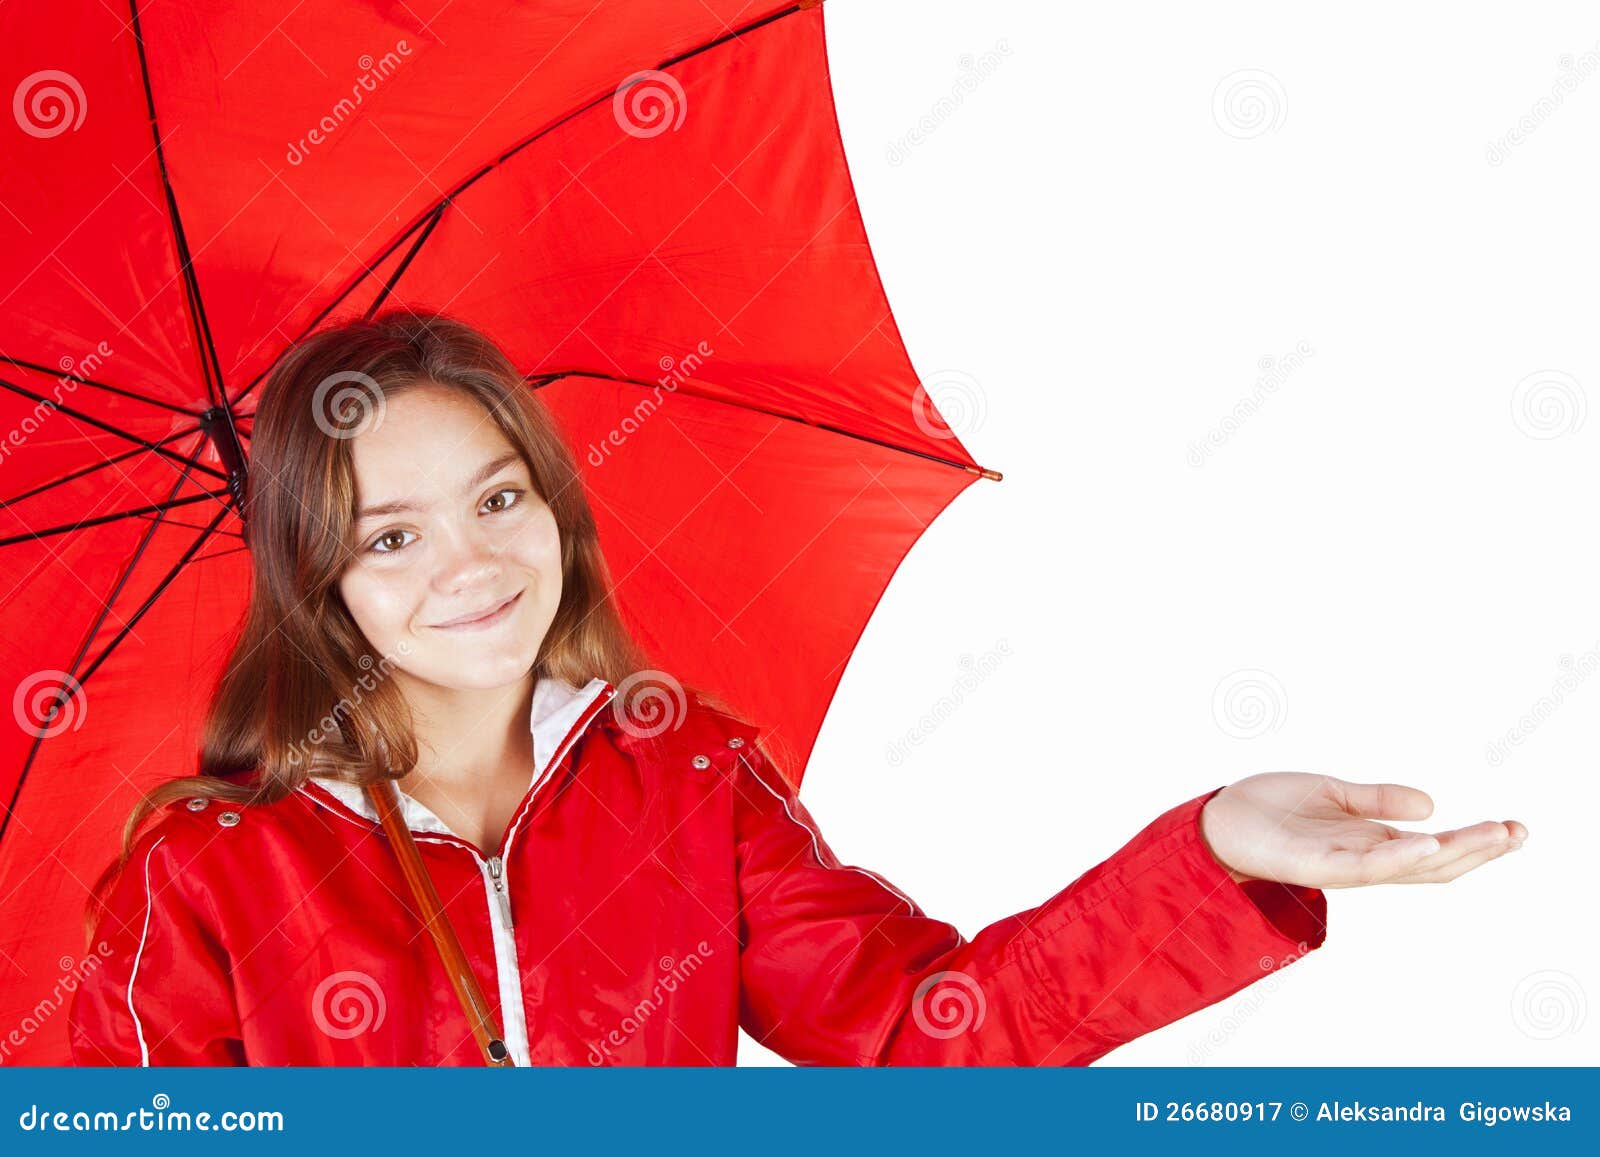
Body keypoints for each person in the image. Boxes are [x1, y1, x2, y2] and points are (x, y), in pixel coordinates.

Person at [66, 311, 1528, 1066]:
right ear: (318, 579)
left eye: (498, 498)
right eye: (390, 535)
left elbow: (919, 1037)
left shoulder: (683, 773)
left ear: (553, 507)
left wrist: (1205, 852)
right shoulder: (204, 870)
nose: (469, 565)